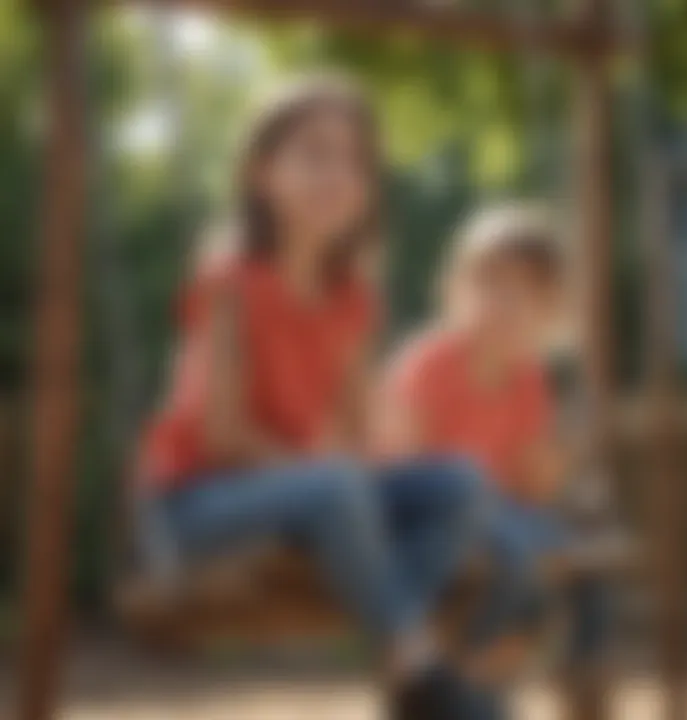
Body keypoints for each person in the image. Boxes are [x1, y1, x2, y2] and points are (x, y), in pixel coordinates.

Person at [135, 75, 482, 719]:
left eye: (354, 159)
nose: (338, 172)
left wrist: (377, 462)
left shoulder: (352, 298)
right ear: (262, 174)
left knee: (458, 481)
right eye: (315, 153)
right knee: (335, 485)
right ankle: (418, 661)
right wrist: (332, 477)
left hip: (301, 493)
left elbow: (358, 439)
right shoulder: (229, 281)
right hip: (195, 502)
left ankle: (405, 660)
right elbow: (222, 438)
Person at [383, 204, 607, 716]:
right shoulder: (427, 362)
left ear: (548, 308)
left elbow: (534, 487)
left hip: (503, 516)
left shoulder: (529, 376)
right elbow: (402, 465)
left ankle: (553, 672)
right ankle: (461, 679)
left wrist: (563, 452)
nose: (505, 302)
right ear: (453, 289)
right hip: (436, 517)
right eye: (489, 284)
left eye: (526, 291)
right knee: (515, 555)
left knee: (586, 561)